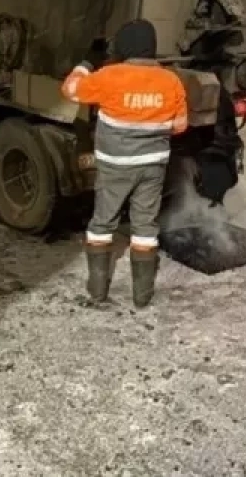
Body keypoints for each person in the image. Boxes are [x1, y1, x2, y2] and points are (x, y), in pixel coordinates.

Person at [61, 19, 189, 307]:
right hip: (153, 166)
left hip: (115, 164)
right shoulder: (171, 81)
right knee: (145, 225)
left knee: (103, 222)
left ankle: (97, 290)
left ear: (124, 47)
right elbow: (181, 125)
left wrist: (86, 63)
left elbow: (70, 90)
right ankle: (142, 297)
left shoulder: (109, 76)